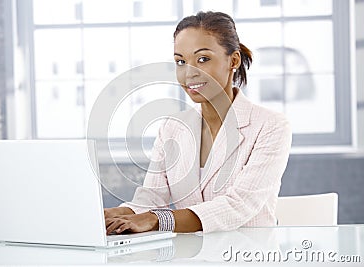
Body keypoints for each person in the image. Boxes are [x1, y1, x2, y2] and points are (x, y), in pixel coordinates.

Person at [104, 11, 292, 234]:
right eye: (180, 62)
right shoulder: (172, 127)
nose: (188, 73)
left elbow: (239, 205)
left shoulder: (270, 125)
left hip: (246, 254)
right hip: (189, 256)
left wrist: (156, 220)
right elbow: (153, 198)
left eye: (203, 59)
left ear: (233, 60)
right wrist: (114, 214)